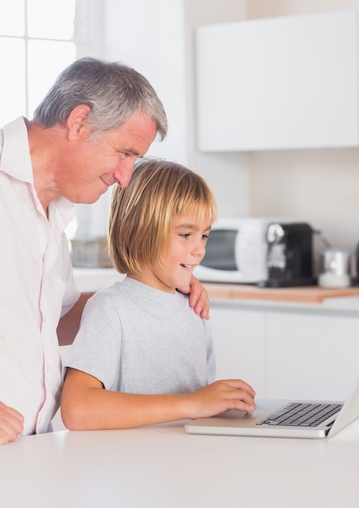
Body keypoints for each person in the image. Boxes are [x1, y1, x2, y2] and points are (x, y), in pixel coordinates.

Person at [0, 57, 210, 445]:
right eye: (125, 153)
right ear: (79, 122)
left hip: (30, 449)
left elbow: (51, 320)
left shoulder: (54, 209)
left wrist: (154, 293)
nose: (125, 176)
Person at [60, 159, 256, 430]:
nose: (199, 250)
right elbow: (77, 409)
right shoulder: (110, 309)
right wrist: (191, 403)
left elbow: (199, 408)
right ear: (134, 232)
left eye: (204, 236)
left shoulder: (193, 307)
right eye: (186, 234)